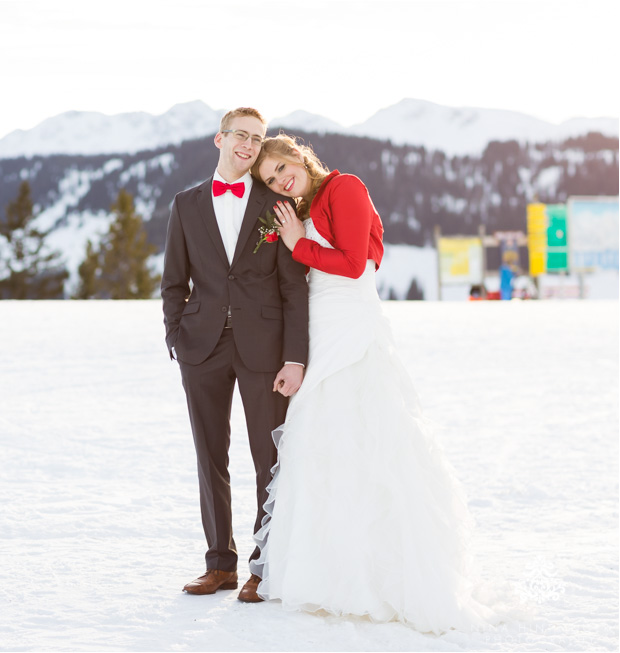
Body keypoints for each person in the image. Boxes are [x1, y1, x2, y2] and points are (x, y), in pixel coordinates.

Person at [250, 134, 495, 632]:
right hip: (321, 324)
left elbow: (355, 264)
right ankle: (323, 567)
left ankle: (378, 572)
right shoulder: (304, 204)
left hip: (350, 324)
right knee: (323, 438)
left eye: (280, 169)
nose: (280, 181)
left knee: (364, 427)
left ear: (298, 155)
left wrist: (299, 244)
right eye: (271, 180)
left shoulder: (345, 188)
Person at [161, 109, 309, 603]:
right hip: (200, 347)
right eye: (240, 135)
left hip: (264, 348)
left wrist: (295, 356)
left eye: (257, 138)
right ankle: (219, 565)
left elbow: (293, 288)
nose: (248, 144)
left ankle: (263, 567)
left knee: (269, 457)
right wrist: (176, 337)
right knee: (210, 456)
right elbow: (173, 281)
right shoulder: (185, 204)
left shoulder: (276, 204)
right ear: (220, 139)